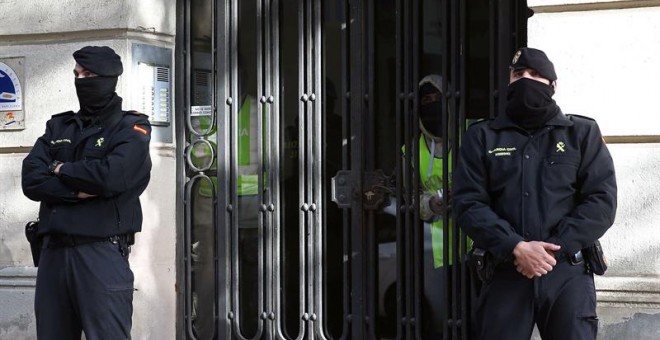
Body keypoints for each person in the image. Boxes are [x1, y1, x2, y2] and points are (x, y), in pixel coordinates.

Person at [452, 47, 617, 339]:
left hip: (567, 273)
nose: (526, 79)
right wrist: (516, 246)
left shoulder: (581, 134)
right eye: (519, 74)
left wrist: (552, 250)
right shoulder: (482, 137)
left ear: (554, 85)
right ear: (509, 82)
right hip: (506, 271)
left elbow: (601, 202)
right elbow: (468, 203)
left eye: (536, 74)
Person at [21, 46, 152, 340]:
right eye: (77, 74)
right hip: (52, 254)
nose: (81, 80)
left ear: (108, 78)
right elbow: (31, 180)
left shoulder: (131, 128)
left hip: (100, 253)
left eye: (89, 74)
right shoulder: (58, 126)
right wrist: (76, 191)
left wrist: (57, 169)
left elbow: (110, 177)